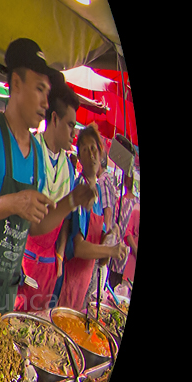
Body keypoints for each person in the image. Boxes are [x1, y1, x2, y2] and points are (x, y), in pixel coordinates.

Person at [0, 39, 94, 310]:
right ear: (15, 84)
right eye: (39, 89)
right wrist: (15, 202)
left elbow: (34, 226)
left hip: (2, 290)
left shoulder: (36, 155)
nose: (45, 102)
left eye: (47, 93)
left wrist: (71, 202)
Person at [15, 76, 80, 313]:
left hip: (50, 263)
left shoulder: (69, 169)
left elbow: (64, 222)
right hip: (23, 254)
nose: (74, 133)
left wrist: (60, 256)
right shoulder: (30, 150)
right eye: (71, 125)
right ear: (55, 119)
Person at [58, 124, 124, 312]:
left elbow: (101, 258)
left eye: (94, 149)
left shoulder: (99, 194)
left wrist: (111, 236)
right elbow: (78, 247)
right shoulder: (81, 188)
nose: (91, 155)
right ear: (79, 158)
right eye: (85, 151)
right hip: (71, 278)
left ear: (101, 152)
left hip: (86, 281)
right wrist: (110, 250)